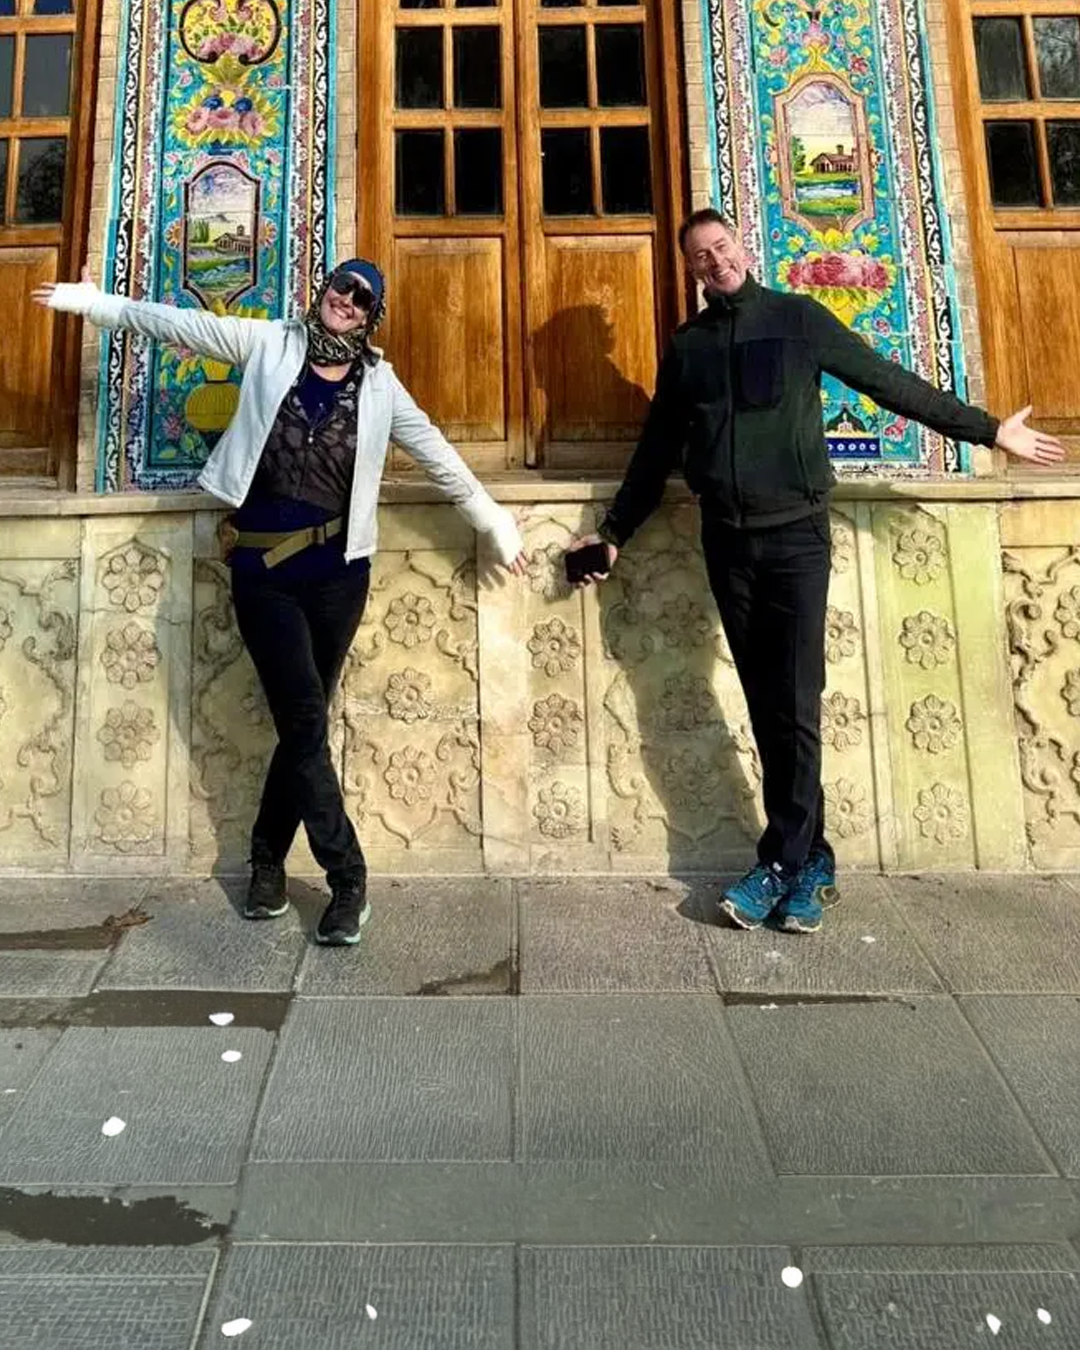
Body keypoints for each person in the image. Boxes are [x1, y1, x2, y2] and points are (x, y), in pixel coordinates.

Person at [568, 208, 1064, 936]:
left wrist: (988, 431)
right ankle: (813, 863)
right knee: (767, 703)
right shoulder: (688, 347)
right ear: (690, 268)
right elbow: (657, 449)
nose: (715, 261)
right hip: (727, 543)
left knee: (796, 700)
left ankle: (779, 861)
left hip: (795, 539)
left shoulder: (796, 319)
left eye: (722, 246)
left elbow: (886, 381)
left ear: (742, 247)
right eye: (700, 255)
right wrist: (613, 533)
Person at [36, 260, 526, 947]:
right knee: (301, 720)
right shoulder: (270, 343)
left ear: (372, 316)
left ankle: (266, 860)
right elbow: (184, 326)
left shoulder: (380, 385)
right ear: (323, 290)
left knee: (304, 728)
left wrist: (493, 521)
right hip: (263, 570)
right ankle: (347, 878)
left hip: (338, 578)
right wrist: (98, 305)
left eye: (362, 297)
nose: (347, 300)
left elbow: (438, 455)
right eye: (342, 285)